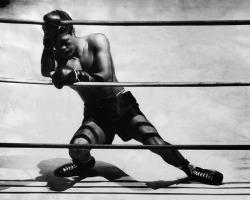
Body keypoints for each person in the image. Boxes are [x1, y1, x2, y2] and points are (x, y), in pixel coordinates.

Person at [41, 10, 223, 185]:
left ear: (72, 30)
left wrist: (76, 75)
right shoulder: (57, 55)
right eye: (57, 44)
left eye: (64, 42)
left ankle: (190, 169)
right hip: (96, 115)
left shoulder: (96, 40)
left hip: (121, 105)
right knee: (77, 149)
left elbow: (104, 76)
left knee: (156, 143)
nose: (62, 48)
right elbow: (45, 71)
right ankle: (85, 164)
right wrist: (47, 47)